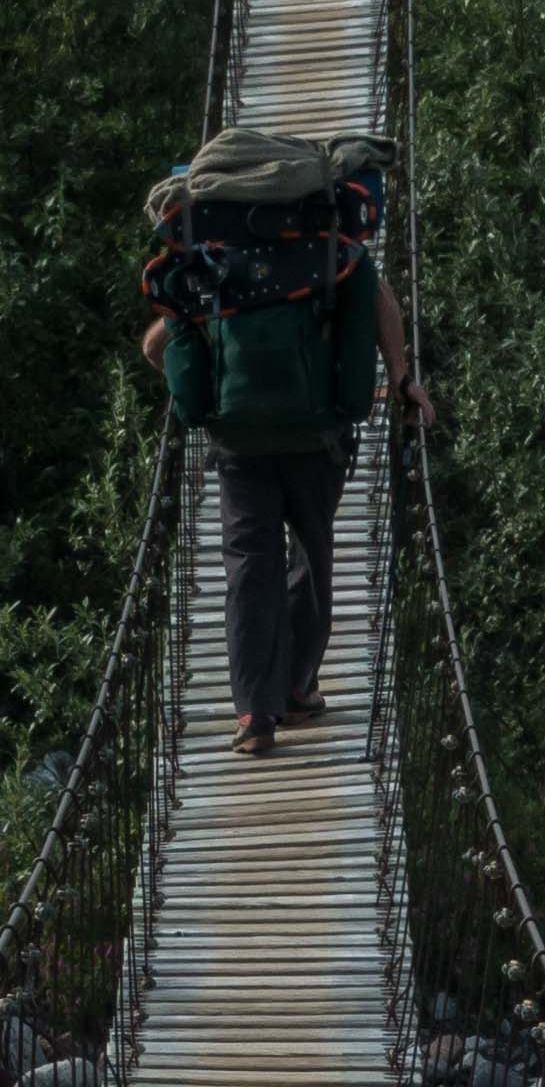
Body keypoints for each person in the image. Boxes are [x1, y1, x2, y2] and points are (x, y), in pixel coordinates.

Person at [144, 243, 429, 757]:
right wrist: (402, 377)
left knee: (250, 567)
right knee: (311, 552)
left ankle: (255, 714)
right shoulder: (326, 241)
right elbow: (376, 295)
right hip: (316, 435)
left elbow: (153, 350)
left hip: (238, 438)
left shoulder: (210, 256)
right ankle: (298, 687)